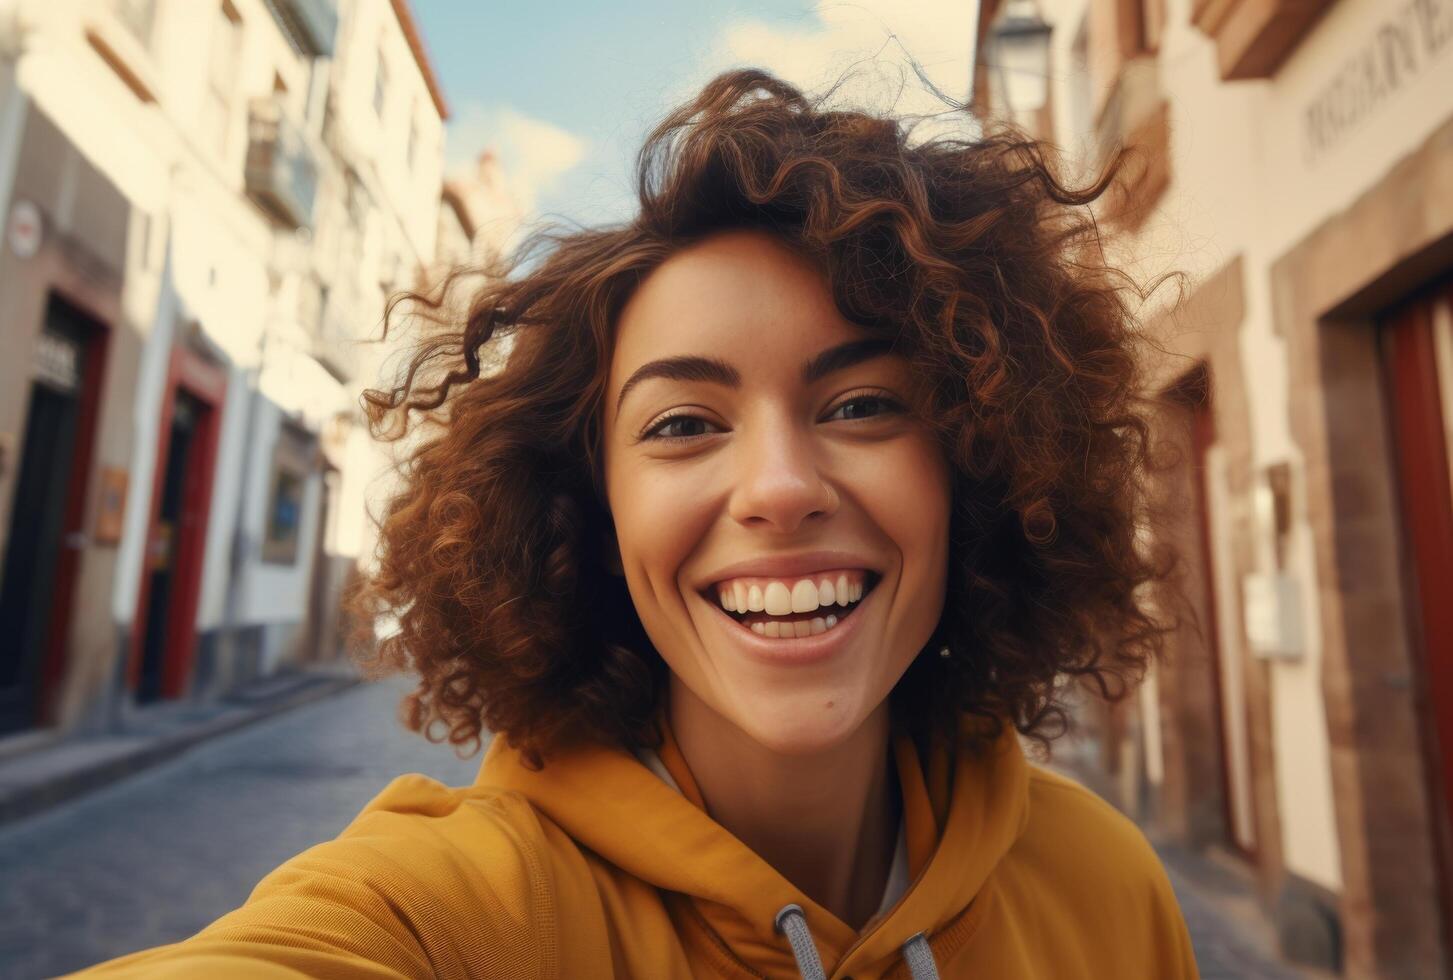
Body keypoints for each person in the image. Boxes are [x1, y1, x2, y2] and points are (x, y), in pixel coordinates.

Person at [75, 69, 1198, 979]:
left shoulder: (1105, 887)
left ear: (974, 460)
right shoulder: (462, 914)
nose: (776, 487)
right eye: (682, 424)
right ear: (588, 506)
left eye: (860, 404)